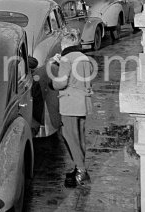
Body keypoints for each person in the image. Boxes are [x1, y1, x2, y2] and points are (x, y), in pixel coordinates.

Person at [51, 29, 94, 188]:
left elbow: (61, 82)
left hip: (70, 103)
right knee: (80, 137)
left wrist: (52, 82)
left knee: (69, 136)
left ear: (64, 45)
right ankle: (79, 168)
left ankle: (81, 170)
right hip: (83, 102)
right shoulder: (85, 58)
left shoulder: (66, 59)